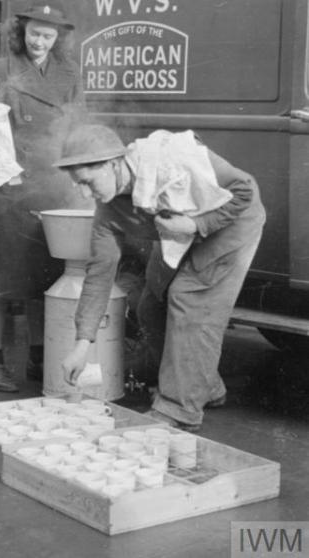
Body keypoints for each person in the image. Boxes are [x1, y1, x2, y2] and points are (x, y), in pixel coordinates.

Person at [57, 123, 266, 431]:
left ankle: (178, 410)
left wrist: (197, 225)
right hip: (178, 230)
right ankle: (203, 387)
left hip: (229, 224)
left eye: (88, 182)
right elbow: (99, 275)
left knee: (189, 300)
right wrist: (81, 343)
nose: (87, 194)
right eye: (79, 186)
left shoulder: (171, 158)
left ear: (114, 163)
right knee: (151, 304)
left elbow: (245, 189)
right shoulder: (109, 209)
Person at [0, 0, 88, 392]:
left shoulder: (70, 73)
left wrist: (79, 180)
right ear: (21, 31)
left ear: (58, 37)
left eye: (47, 35)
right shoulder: (1, 68)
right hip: (12, 188)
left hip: (54, 189)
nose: (40, 42)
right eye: (34, 33)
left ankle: (40, 358)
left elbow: (77, 130)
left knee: (45, 279)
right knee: (0, 282)